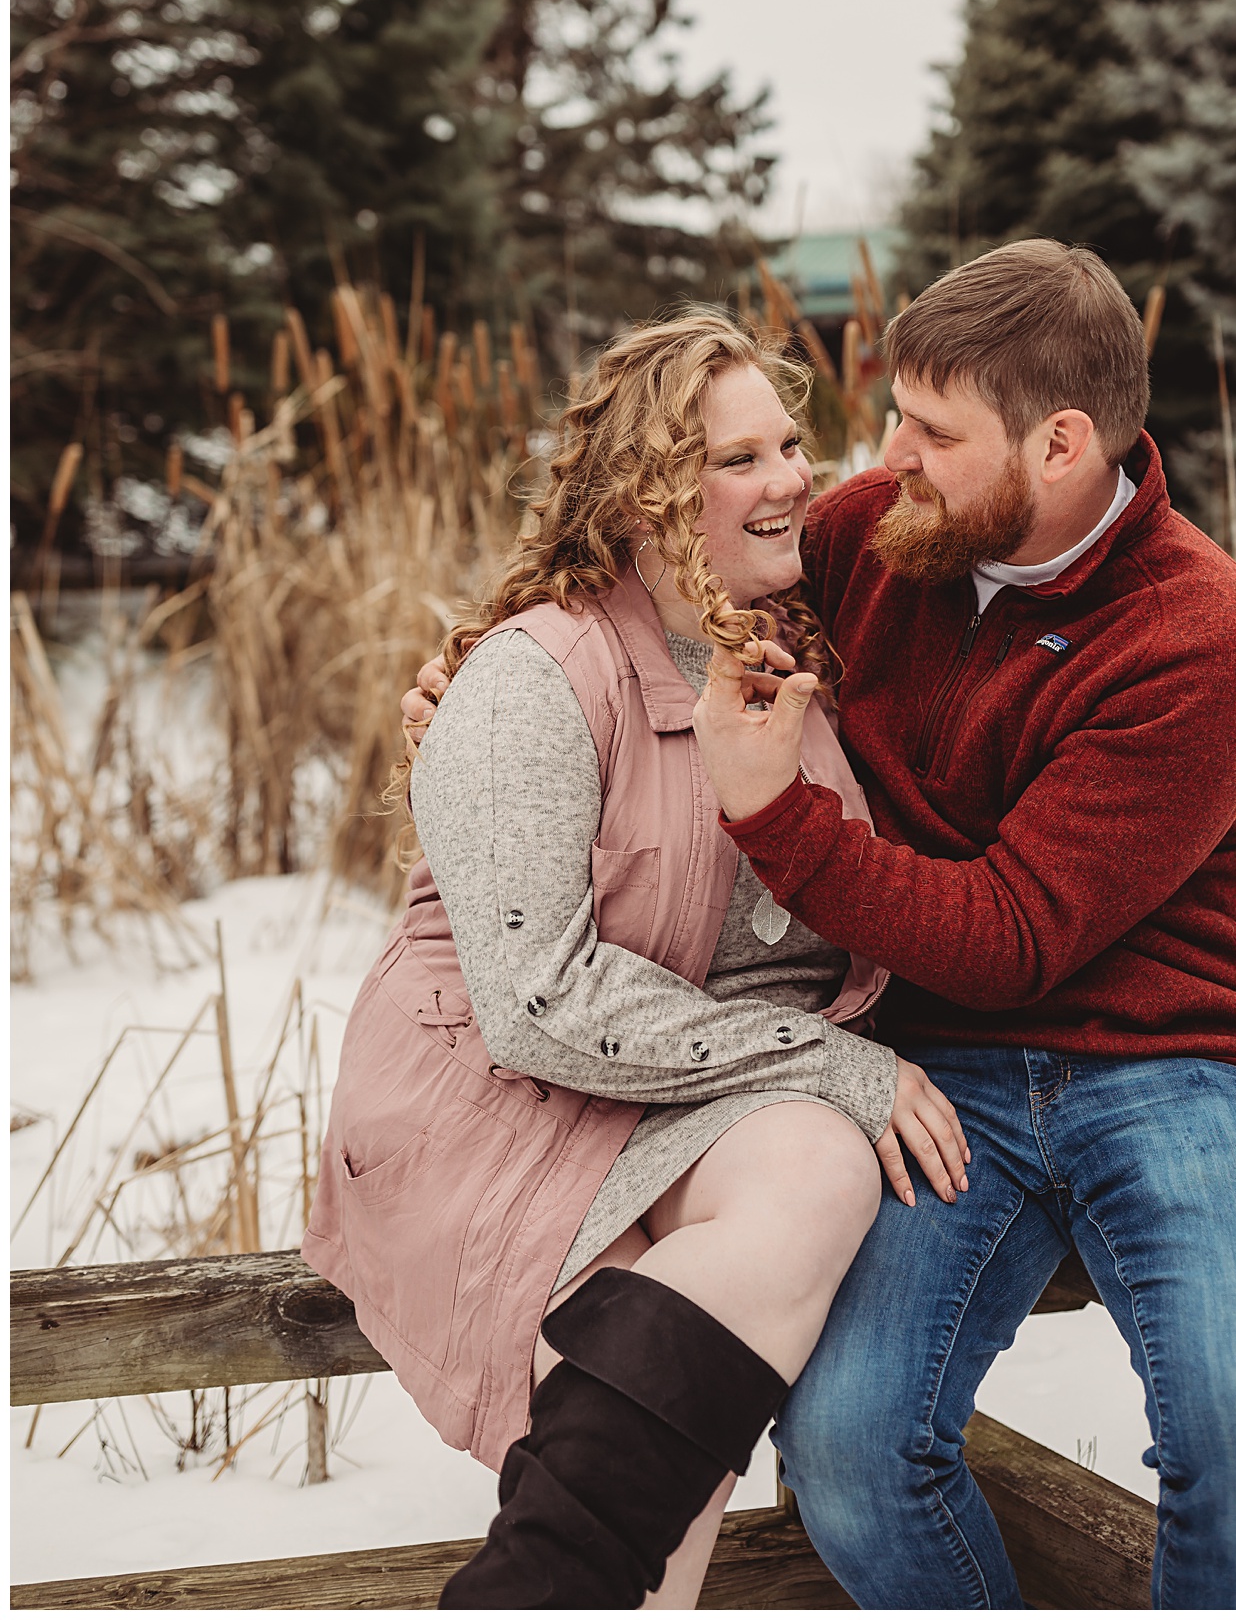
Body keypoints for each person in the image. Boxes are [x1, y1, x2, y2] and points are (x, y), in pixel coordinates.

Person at [407, 237, 1236, 1611]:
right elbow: (654, 593)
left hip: (1177, 1062)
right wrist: (484, 706)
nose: (882, 455)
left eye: (930, 429)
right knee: (850, 1448)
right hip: (933, 1066)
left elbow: (1012, 933)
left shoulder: (1196, 632)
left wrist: (773, 816)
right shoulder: (876, 540)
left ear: (1063, 445)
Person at [304, 310, 967, 1612]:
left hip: (694, 1092)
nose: (791, 478)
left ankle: (535, 1587)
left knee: (801, 1184)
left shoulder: (811, 634)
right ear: (648, 495)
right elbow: (540, 1003)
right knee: (667, 1416)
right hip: (507, 1096)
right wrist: (836, 1064)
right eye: (739, 459)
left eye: (792, 443)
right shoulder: (532, 676)